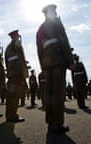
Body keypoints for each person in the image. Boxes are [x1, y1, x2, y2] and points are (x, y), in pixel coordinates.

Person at [36, 4, 74, 133]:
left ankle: (50, 122)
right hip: (58, 60)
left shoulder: (40, 28)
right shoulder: (56, 23)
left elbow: (39, 49)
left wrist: (42, 65)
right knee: (58, 92)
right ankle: (57, 124)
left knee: (49, 93)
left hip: (47, 63)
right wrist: (70, 60)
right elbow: (64, 40)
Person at [5, 29, 29, 122]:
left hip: (11, 73)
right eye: (18, 36)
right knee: (15, 96)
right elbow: (22, 58)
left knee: (10, 96)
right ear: (16, 36)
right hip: (18, 73)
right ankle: (13, 116)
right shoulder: (17, 44)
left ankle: (9, 115)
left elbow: (6, 62)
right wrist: (25, 72)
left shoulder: (7, 48)